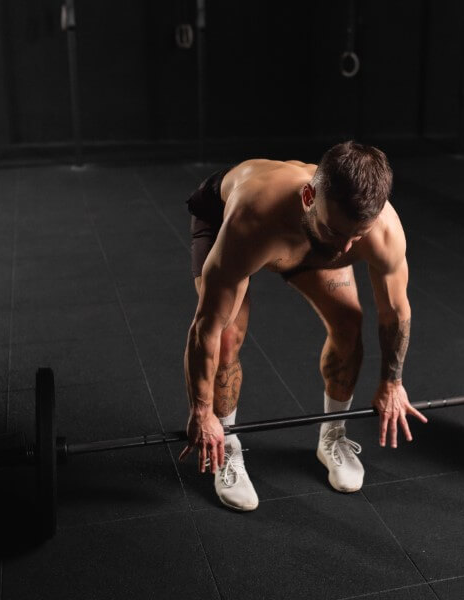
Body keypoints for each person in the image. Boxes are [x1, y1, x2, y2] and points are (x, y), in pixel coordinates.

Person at [181, 141, 427, 511]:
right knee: (228, 334)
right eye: (337, 232)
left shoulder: (377, 232)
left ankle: (333, 434)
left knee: (348, 322)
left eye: (356, 236)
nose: (346, 250)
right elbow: (206, 329)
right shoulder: (252, 218)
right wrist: (201, 413)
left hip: (308, 238)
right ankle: (227, 443)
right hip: (238, 221)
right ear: (310, 195)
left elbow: (395, 312)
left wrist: (392, 383)